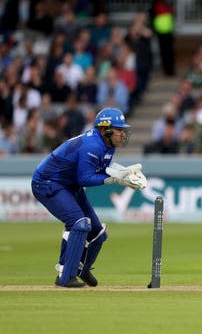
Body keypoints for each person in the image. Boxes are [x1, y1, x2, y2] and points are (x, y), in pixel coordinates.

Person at [31, 108, 146, 288]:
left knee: (98, 232)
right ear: (104, 129)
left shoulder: (108, 145)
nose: (123, 134)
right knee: (79, 222)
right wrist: (116, 179)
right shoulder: (92, 145)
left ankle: (81, 271)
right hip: (48, 182)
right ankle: (65, 276)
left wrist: (122, 173)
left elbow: (98, 171)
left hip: (69, 185)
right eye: (119, 129)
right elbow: (84, 178)